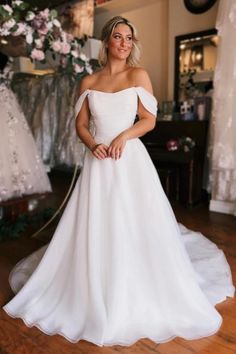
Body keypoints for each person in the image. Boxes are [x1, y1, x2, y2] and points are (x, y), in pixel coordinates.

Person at [3, 17, 234, 346]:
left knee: (133, 220)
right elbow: (81, 125)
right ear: (106, 42)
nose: (125, 43)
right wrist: (93, 143)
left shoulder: (137, 75)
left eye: (129, 37)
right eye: (118, 36)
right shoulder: (89, 81)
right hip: (98, 161)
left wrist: (123, 137)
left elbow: (149, 120)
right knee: (97, 223)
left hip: (128, 159)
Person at [0, 53, 51, 202]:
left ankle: (12, 181)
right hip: (6, 101)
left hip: (6, 103)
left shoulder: (5, 57)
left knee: (11, 141)